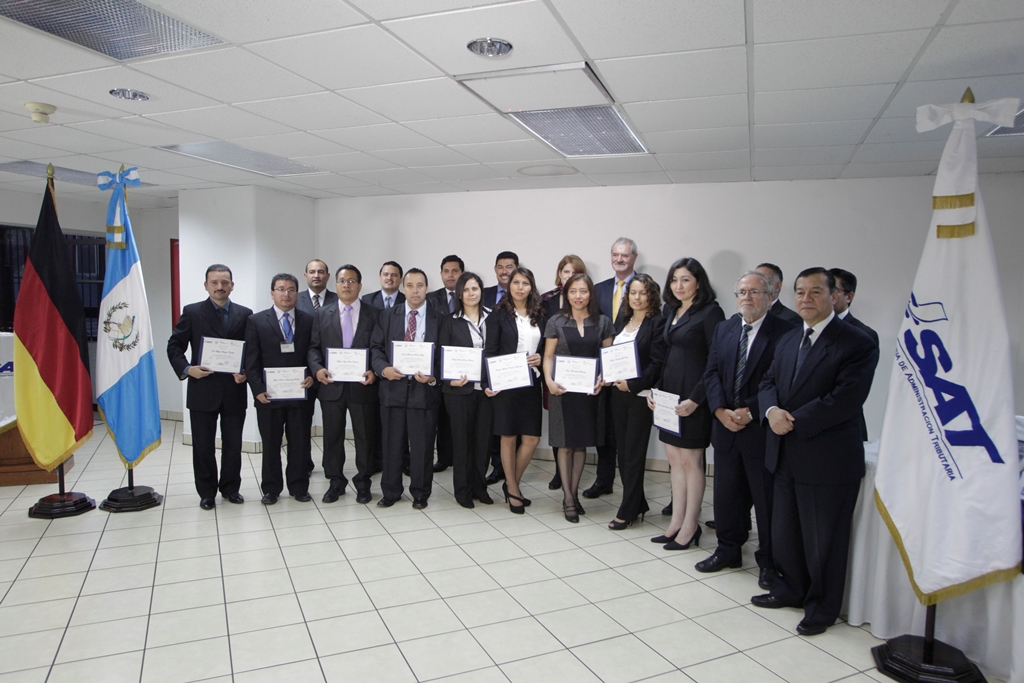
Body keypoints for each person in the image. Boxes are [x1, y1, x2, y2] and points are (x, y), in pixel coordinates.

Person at [751, 268, 878, 637]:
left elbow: (844, 399)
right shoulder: (790, 338)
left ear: (835, 295)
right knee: (785, 529)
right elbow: (769, 382)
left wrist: (792, 421)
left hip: (827, 457)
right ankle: (790, 589)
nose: (806, 298)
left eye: (816, 292)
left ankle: (822, 607)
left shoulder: (857, 341)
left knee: (824, 540)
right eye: (800, 292)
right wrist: (772, 412)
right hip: (784, 452)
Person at [697, 271, 796, 588]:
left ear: (769, 296)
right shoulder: (726, 328)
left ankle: (768, 562)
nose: (747, 298)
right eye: (742, 292)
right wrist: (719, 410)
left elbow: (782, 381)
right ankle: (727, 549)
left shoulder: (785, 331)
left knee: (765, 501)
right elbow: (711, 373)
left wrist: (752, 411)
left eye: (754, 292)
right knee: (726, 495)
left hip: (760, 431)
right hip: (725, 427)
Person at [649, 257, 725, 549]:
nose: (678, 286)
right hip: (669, 396)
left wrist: (696, 399)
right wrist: (655, 392)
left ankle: (691, 525)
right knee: (674, 461)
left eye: (685, 280)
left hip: (694, 398)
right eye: (674, 280)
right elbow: (664, 355)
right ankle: (676, 522)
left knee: (692, 462)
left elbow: (714, 361)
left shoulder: (710, 313)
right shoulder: (672, 310)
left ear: (698, 282)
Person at [167, 264, 252, 510]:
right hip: (202, 389)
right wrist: (187, 369)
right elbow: (174, 347)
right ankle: (206, 492)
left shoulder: (245, 314)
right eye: (214, 282)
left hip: (234, 390)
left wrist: (245, 371)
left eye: (224, 282)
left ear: (232, 285)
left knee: (233, 443)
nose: (219, 287)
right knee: (203, 444)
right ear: (206, 285)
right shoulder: (192, 312)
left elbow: (251, 350)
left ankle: (231, 488)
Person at [543, 273, 614, 523]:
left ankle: (573, 494)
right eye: (573, 291)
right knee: (564, 444)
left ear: (590, 294)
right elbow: (548, 356)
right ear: (566, 294)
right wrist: (549, 382)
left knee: (582, 443)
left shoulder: (604, 322)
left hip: (590, 392)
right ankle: (569, 498)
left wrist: (603, 378)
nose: (578, 296)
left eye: (583, 291)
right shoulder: (555, 322)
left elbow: (608, 357)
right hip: (562, 391)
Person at [307, 264, 380, 505]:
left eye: (351, 281)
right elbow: (313, 349)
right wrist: (317, 370)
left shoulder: (375, 313)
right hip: (331, 387)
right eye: (341, 281)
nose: (346, 285)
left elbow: (380, 349)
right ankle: (336, 482)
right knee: (332, 438)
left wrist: (375, 371)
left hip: (363, 386)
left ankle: (363, 482)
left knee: (365, 437)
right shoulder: (321, 314)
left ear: (360, 285)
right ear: (335, 285)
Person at [371, 268, 442, 509]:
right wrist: (384, 369)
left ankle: (421, 492)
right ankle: (391, 491)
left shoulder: (439, 318)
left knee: (422, 446)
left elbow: (443, 356)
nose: (415, 290)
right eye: (410, 285)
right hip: (393, 389)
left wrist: (434, 376)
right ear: (403, 288)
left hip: (424, 392)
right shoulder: (388, 316)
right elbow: (376, 349)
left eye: (420, 285)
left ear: (427, 288)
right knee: (392, 443)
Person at [245, 273, 316, 505]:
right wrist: (257, 389)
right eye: (281, 289)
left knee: (300, 442)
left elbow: (314, 353)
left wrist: (312, 376)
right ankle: (271, 489)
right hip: (269, 396)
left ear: (297, 292)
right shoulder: (256, 321)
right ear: (272, 292)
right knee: (271, 443)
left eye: (291, 289)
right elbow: (251, 360)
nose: (286, 294)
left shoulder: (308, 320)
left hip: (299, 394)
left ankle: (299, 487)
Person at [484, 266, 545, 513]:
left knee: (532, 438)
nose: (520, 288)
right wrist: (489, 382)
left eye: (525, 283)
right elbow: (490, 351)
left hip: (532, 381)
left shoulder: (541, 313)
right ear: (509, 286)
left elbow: (549, 346)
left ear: (532, 287)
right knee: (508, 437)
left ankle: (511, 484)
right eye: (516, 283)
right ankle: (513, 489)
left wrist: (541, 358)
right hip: (507, 382)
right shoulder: (498, 314)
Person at [607, 274, 665, 529]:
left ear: (651, 295)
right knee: (623, 452)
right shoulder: (622, 321)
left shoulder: (657, 323)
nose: (637, 298)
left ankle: (628, 509)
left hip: (640, 397)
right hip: (617, 396)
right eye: (633, 293)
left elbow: (657, 364)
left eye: (643, 293)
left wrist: (632, 384)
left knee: (633, 454)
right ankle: (638, 502)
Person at [584, 237, 639, 499]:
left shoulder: (643, 287)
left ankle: (631, 491)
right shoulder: (600, 289)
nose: (619, 259)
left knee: (629, 437)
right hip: (602, 372)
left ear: (634, 258)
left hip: (632, 374)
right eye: (615, 254)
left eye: (625, 255)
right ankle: (604, 480)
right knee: (604, 430)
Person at [438, 272, 494, 508]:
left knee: (483, 442)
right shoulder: (449, 321)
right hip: (459, 392)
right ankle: (462, 490)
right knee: (462, 442)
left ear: (481, 291)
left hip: (488, 391)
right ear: (459, 294)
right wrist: (449, 380)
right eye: (467, 289)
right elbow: (441, 356)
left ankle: (480, 487)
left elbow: (500, 350)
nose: (472, 293)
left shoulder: (494, 317)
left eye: (476, 288)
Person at [539, 254, 587, 490]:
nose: (569, 276)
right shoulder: (546, 300)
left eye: (574, 272)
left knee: (577, 429)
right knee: (558, 423)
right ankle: (560, 473)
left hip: (582, 377)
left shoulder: (591, 308)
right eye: (565, 272)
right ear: (559, 274)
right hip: (553, 371)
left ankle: (569, 478)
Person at [484, 251, 521, 485]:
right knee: (493, 423)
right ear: (495, 269)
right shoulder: (483, 294)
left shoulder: (525, 295)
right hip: (490, 365)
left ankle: (509, 470)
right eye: (500, 266)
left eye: (510, 266)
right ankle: (497, 466)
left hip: (516, 372)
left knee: (512, 425)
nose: (505, 271)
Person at [829, 267, 877, 441]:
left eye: (832, 289)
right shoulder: (801, 332)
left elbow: (850, 394)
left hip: (842, 430)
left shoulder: (863, 335)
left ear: (849, 296)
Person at [426, 255, 464, 473]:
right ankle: (442, 457)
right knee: (439, 413)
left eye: (455, 271)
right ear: (441, 274)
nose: (450, 275)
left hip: (462, 364)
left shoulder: (469, 295)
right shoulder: (430, 298)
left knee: (457, 415)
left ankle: (458, 457)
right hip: (436, 363)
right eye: (446, 271)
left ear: (461, 273)